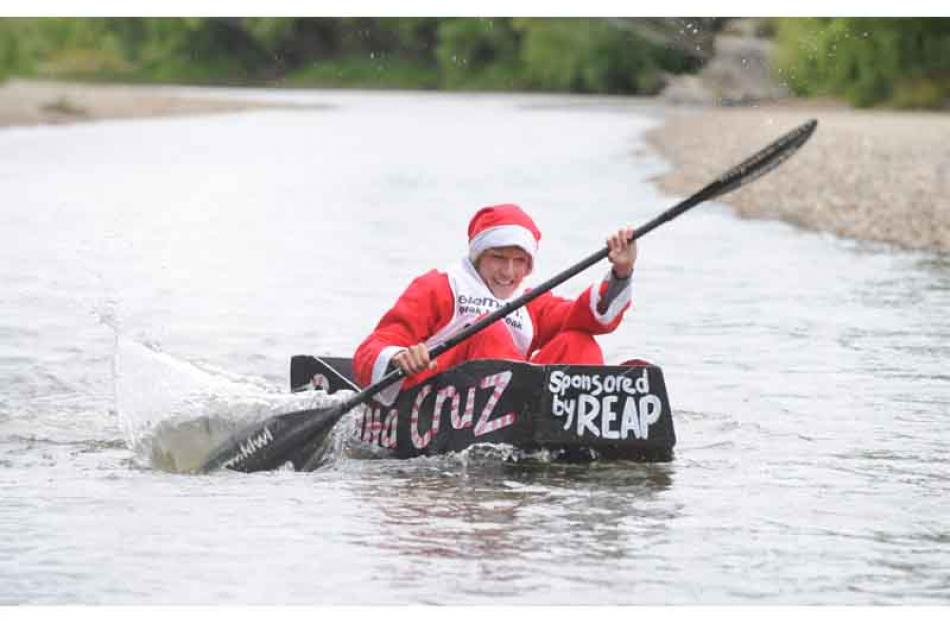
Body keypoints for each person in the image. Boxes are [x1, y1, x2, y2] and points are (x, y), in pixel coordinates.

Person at [353, 203, 637, 403]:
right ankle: (523, 414)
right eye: (499, 258)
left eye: (519, 261)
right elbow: (372, 347)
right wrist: (398, 357)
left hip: (511, 401)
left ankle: (581, 416)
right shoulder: (437, 287)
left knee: (579, 342)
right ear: (478, 256)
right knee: (488, 329)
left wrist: (621, 272)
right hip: (435, 400)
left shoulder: (530, 302)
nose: (509, 273)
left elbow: (586, 317)